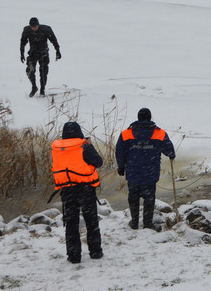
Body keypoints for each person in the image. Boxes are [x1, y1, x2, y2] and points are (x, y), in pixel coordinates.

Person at [115, 108, 176, 230]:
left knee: (133, 198)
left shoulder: (126, 133)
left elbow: (120, 152)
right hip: (150, 173)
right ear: (150, 118)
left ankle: (134, 223)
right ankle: (147, 223)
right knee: (149, 199)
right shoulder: (159, 133)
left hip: (133, 173)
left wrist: (121, 167)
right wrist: (171, 154)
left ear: (138, 118)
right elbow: (169, 150)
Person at [52, 121, 103, 263]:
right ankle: (95, 252)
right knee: (91, 221)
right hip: (86, 189)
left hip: (67, 190)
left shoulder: (57, 148)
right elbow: (99, 162)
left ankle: (74, 256)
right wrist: (89, 145)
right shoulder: (84, 147)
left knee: (71, 223)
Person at [20, 17, 61, 97]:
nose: (34, 28)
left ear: (38, 25)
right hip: (32, 53)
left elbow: (54, 40)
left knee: (43, 73)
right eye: (32, 27)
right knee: (29, 71)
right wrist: (22, 53)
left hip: (43, 53)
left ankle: (42, 89)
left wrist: (57, 51)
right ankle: (34, 87)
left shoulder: (46, 29)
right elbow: (23, 42)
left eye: (35, 26)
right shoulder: (27, 30)